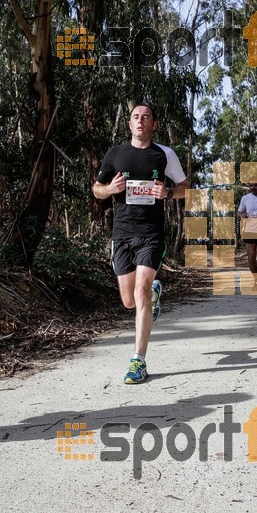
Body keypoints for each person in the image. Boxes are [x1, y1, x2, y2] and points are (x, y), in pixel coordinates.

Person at [92, 104, 189, 384]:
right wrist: (110, 189)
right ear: (129, 123)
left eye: (146, 117)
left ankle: (138, 361)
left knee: (141, 290)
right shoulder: (116, 154)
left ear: (154, 124)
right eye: (136, 117)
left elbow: (186, 188)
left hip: (151, 233)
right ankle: (155, 292)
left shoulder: (164, 154)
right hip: (122, 233)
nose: (140, 121)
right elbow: (96, 190)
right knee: (128, 301)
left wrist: (168, 192)